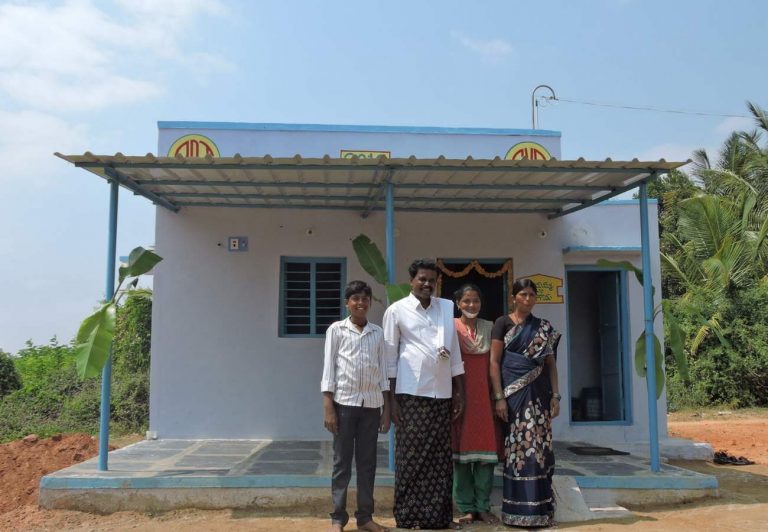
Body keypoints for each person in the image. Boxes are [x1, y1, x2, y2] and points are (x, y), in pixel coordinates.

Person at [383, 259, 465, 530]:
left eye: (432, 279)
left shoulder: (446, 308)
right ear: (412, 280)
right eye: (422, 279)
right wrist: (391, 400)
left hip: (441, 393)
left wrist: (459, 392)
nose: (427, 284)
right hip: (410, 394)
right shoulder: (397, 311)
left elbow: (454, 353)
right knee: (411, 457)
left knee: (440, 459)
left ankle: (440, 517)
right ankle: (409, 516)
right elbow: (390, 358)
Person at [489, 278, 561, 528]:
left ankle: (541, 511)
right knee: (518, 451)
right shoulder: (502, 323)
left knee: (539, 450)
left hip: (539, 396)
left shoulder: (543, 328)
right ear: (514, 297)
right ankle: (516, 510)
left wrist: (556, 395)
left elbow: (550, 364)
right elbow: (494, 363)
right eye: (523, 294)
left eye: (531, 294)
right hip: (513, 397)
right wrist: (498, 397)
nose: (527, 299)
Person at [321, 280, 391, 532]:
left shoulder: (377, 333)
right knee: (341, 463)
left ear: (370, 302)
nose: (360, 303)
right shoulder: (336, 330)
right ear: (347, 303)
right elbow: (329, 369)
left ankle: (365, 518)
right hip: (344, 405)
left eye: (365, 298)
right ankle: (338, 518)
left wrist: (387, 410)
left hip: (371, 406)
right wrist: (328, 407)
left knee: (367, 463)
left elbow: (383, 372)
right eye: (355, 298)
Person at [451, 284, 501, 525]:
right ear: (458, 303)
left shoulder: (490, 327)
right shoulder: (450, 327)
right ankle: (466, 508)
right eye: (466, 301)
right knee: (461, 457)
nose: (471, 305)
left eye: (476, 301)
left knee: (484, 457)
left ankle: (483, 506)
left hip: (484, 399)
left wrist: (497, 397)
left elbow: (496, 364)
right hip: (460, 398)